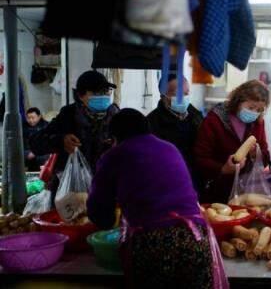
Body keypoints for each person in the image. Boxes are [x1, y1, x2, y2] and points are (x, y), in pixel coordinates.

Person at [87, 109, 228, 289]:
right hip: (195, 238)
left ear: (114, 137)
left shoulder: (113, 156)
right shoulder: (169, 147)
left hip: (153, 243)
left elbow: (100, 215)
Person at [30, 70, 119, 205]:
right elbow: (35, 142)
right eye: (96, 93)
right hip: (70, 192)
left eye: (106, 91)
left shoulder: (115, 116)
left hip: (105, 189)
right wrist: (60, 141)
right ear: (80, 95)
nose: (103, 96)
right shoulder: (68, 115)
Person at [193, 80, 271, 204]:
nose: (254, 112)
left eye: (259, 110)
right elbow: (200, 159)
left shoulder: (258, 123)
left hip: (246, 193)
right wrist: (223, 169)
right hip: (217, 192)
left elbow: (266, 156)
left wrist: (256, 154)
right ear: (238, 101)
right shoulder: (214, 120)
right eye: (251, 107)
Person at [147, 74, 203, 188]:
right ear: (163, 97)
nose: (184, 98)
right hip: (165, 184)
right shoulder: (151, 123)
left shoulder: (197, 117)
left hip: (194, 182)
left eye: (186, 93)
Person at [23, 107, 50, 172]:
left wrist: (35, 152)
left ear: (39, 116)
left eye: (33, 118)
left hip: (42, 153)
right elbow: (20, 144)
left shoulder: (46, 126)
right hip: (28, 153)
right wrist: (27, 153)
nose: (31, 120)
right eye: (28, 118)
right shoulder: (23, 127)